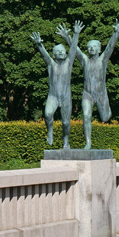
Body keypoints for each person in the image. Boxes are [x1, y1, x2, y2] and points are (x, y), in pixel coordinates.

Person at [63, 18, 119, 149]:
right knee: (86, 116)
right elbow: (75, 49)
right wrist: (69, 36)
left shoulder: (103, 60)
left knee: (105, 118)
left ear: (98, 49)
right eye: (89, 47)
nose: (91, 49)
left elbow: (110, 47)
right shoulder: (85, 60)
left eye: (94, 47)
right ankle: (88, 142)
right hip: (88, 94)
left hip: (101, 94)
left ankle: (108, 111)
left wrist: (116, 33)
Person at [32, 21, 83, 149]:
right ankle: (50, 130)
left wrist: (75, 34)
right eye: (58, 51)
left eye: (62, 51)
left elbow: (73, 49)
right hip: (53, 96)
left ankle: (66, 140)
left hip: (66, 97)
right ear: (54, 55)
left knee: (66, 123)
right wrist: (39, 44)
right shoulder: (51, 64)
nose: (61, 53)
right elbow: (44, 54)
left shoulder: (68, 63)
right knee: (48, 114)